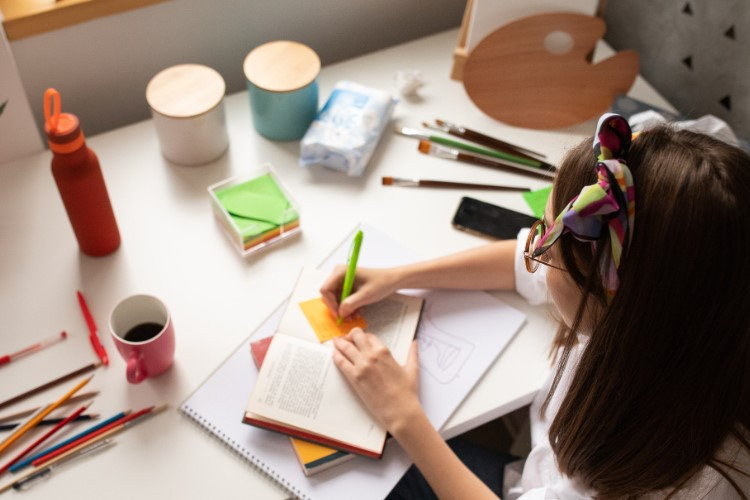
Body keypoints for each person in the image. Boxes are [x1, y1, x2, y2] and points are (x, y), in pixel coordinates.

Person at [320, 114, 750, 499]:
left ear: (604, 292)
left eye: (547, 247)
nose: (533, 249)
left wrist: (404, 416)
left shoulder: (647, 474)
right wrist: (398, 276)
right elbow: (519, 264)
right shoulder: (690, 303)